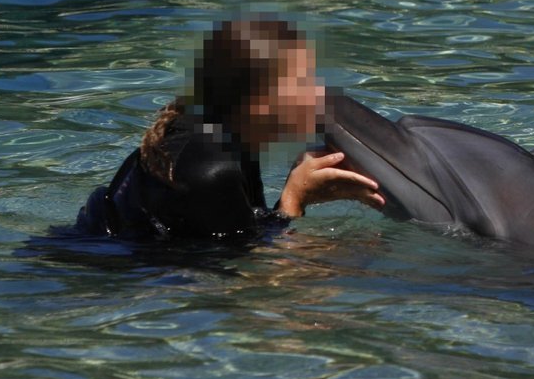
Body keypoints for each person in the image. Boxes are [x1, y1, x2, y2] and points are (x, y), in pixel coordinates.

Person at [76, 19, 384, 241]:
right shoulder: (210, 168)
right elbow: (249, 282)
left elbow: (248, 237)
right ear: (253, 102)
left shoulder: (222, 136)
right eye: (300, 84)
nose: (317, 93)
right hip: (103, 285)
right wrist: (295, 197)